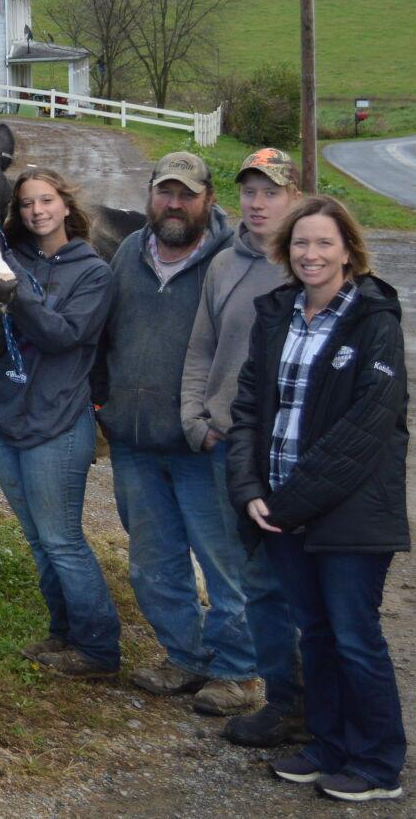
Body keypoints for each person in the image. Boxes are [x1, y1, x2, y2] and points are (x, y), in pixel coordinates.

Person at [227, 196, 407, 803]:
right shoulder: (277, 314)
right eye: (301, 243)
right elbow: (249, 407)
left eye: (324, 243)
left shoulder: (375, 320)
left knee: (355, 637)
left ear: (348, 250)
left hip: (347, 514)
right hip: (280, 508)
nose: (311, 254)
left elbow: (364, 430)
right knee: (316, 634)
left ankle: (378, 763)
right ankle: (330, 745)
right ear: (286, 251)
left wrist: (289, 503)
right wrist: (251, 488)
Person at [97, 151, 260, 711]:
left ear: (209, 200)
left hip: (205, 445)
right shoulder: (127, 252)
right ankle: (185, 658)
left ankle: (238, 672)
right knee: (153, 560)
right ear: (150, 196)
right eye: (165, 192)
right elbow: (104, 333)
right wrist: (104, 405)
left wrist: (224, 421)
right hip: (134, 441)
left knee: (224, 562)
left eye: (187, 194)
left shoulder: (232, 260)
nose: (174, 203)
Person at [0, 168, 120, 679]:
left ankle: (99, 648)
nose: (37, 211)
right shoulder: (8, 260)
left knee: (63, 539)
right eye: (28, 203)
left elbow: (62, 335)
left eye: (47, 200)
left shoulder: (93, 272)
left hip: (57, 424)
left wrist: (17, 296)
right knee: (37, 538)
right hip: (4, 418)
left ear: (65, 205)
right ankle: (64, 633)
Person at [181, 148, 305, 745]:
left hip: (285, 452)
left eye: (271, 192)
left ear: (296, 198)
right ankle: (261, 682)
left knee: (283, 577)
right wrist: (196, 416)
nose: (257, 204)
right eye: (250, 192)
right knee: (237, 566)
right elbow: (202, 347)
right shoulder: (224, 264)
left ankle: (290, 692)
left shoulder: (307, 264)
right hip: (224, 441)